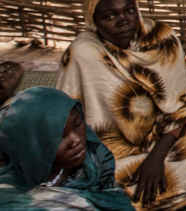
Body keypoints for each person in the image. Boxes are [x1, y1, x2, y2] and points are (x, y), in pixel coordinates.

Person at [56, 0, 186, 209]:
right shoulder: (83, 52)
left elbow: (183, 105)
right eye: (110, 16)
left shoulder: (161, 40)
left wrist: (156, 158)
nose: (123, 20)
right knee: (103, 186)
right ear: (94, 21)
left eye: (129, 11)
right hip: (116, 147)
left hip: (175, 128)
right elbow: (64, 111)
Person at [0, 87, 134, 210]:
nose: (75, 140)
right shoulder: (10, 198)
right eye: (60, 136)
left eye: (77, 124)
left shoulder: (94, 162)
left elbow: (114, 198)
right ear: (33, 144)